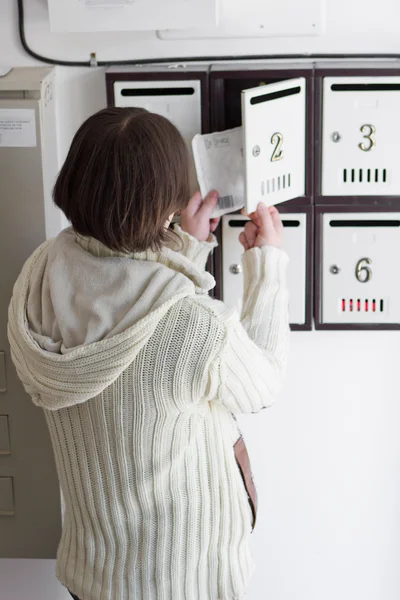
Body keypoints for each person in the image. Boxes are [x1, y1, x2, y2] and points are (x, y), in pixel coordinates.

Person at [8, 107, 289, 600]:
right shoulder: (193, 328)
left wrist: (187, 246)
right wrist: (265, 264)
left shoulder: (39, 277)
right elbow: (263, 384)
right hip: (183, 579)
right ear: (163, 208)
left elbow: (119, 296)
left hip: (95, 573)